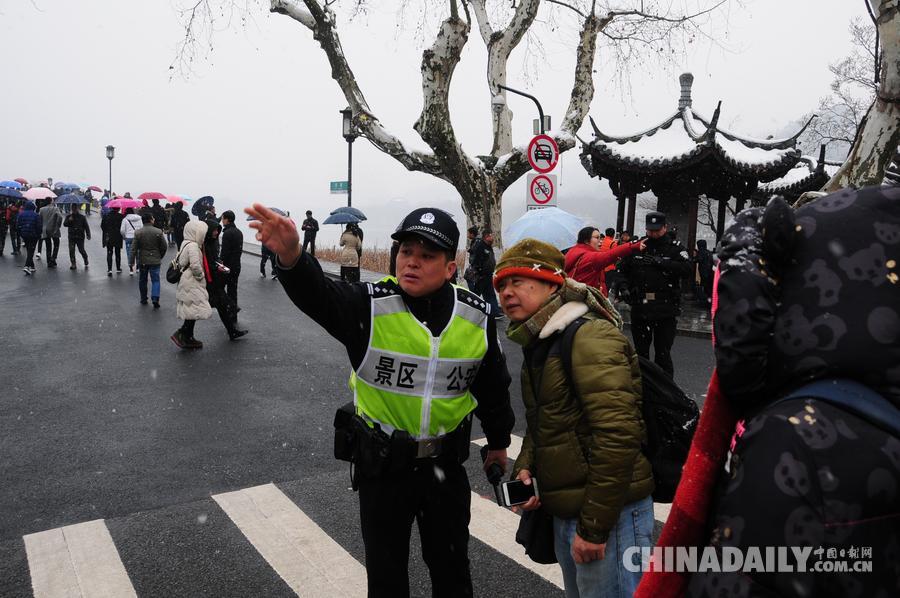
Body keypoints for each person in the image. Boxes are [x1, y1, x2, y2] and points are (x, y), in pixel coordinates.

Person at [245, 204, 515, 598]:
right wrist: (291, 257)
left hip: (446, 469)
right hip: (385, 470)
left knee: (453, 572)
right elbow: (318, 295)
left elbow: (492, 384)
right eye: (406, 252)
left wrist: (499, 441)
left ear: (450, 267)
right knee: (387, 580)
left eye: (427, 256)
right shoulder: (370, 305)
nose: (412, 263)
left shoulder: (474, 317)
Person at [494, 238, 654, 598]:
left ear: (553, 283)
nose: (506, 292)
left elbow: (618, 434)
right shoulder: (542, 341)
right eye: (501, 285)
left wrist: (595, 527)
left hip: (609, 517)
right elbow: (545, 423)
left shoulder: (588, 336)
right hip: (572, 511)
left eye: (518, 281)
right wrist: (527, 465)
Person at [618, 211, 691, 376]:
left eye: (657, 230)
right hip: (641, 307)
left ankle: (665, 393)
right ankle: (643, 390)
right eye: (650, 230)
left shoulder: (675, 248)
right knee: (641, 354)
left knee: (663, 354)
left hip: (665, 308)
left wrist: (662, 262)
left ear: (665, 228)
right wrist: (624, 288)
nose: (653, 233)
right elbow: (622, 270)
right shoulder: (638, 247)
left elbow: (687, 269)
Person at [565, 226, 644, 297]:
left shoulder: (573, 251)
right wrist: (632, 246)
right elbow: (610, 255)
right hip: (588, 298)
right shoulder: (590, 258)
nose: (600, 241)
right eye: (597, 237)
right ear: (586, 240)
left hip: (576, 295)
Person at [203, 218, 248, 340]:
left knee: (221, 306)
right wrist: (217, 266)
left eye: (217, 231)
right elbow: (205, 263)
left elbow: (213, 260)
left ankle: (232, 330)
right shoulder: (204, 245)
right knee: (197, 309)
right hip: (209, 281)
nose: (217, 233)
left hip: (213, 280)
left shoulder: (211, 243)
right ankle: (185, 331)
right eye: (214, 231)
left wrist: (218, 263)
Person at [171, 220, 212, 349]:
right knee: (193, 309)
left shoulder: (185, 243)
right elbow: (195, 265)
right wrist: (201, 276)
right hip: (192, 281)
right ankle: (182, 334)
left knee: (192, 309)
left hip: (186, 280)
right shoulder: (193, 246)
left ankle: (188, 336)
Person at [132, 213, 167, 307]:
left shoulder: (138, 232)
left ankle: (143, 298)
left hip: (143, 260)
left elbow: (134, 248)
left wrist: (132, 261)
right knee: (155, 280)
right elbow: (164, 246)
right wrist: (160, 256)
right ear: (151, 220)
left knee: (143, 280)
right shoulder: (158, 231)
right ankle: (155, 298)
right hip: (155, 260)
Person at [468, 230, 499, 316]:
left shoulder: (489, 246)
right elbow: (475, 260)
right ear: (486, 237)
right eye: (491, 236)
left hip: (488, 275)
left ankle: (495, 312)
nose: (493, 238)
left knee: (489, 294)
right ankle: (471, 312)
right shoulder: (480, 246)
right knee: (476, 294)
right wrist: (480, 270)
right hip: (481, 275)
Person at [219, 210, 243, 308]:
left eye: (223, 219)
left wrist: (221, 262)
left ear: (227, 220)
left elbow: (224, 252)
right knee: (233, 290)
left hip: (228, 266)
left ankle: (231, 307)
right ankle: (233, 313)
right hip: (237, 265)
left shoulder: (227, 233)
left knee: (219, 288)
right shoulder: (239, 232)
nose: (222, 221)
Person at [16, 201, 42, 275]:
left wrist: (21, 233)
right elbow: (39, 227)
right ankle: (26, 266)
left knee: (29, 249)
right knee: (31, 250)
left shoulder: (21, 214)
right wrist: (38, 234)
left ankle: (32, 266)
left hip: (24, 235)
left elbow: (18, 225)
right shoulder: (36, 215)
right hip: (33, 236)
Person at [63, 203, 91, 270]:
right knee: (71, 250)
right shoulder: (69, 216)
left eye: (75, 208)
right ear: (71, 209)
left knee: (81, 250)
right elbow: (65, 224)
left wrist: (88, 234)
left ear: (77, 208)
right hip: (71, 236)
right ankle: (73, 264)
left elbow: (86, 226)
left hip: (80, 236)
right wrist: (69, 221)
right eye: (72, 208)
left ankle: (85, 258)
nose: (74, 210)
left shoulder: (82, 217)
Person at [38, 200, 63, 268]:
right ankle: (53, 258)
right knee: (56, 244)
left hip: (45, 230)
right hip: (54, 228)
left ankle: (49, 261)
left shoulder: (41, 209)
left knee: (48, 245)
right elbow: (60, 217)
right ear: (51, 202)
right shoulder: (55, 209)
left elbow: (39, 219)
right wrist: (58, 226)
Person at [101, 207, 125, 276]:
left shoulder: (106, 216)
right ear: (118, 209)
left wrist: (107, 232)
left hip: (109, 237)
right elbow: (123, 227)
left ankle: (110, 269)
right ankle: (118, 268)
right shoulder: (121, 217)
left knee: (109, 252)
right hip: (117, 237)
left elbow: (102, 226)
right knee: (117, 253)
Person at [120, 207, 143, 275]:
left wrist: (124, 237)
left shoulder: (125, 219)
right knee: (138, 252)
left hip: (129, 238)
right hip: (138, 237)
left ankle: (131, 269)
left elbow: (122, 230)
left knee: (130, 253)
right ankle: (138, 268)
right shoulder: (139, 218)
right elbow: (142, 227)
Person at [692, 239, 714, 306]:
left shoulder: (701, 252)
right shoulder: (709, 252)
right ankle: (708, 300)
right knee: (708, 287)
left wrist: (692, 258)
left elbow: (697, 260)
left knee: (704, 286)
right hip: (710, 272)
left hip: (704, 272)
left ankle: (704, 301)